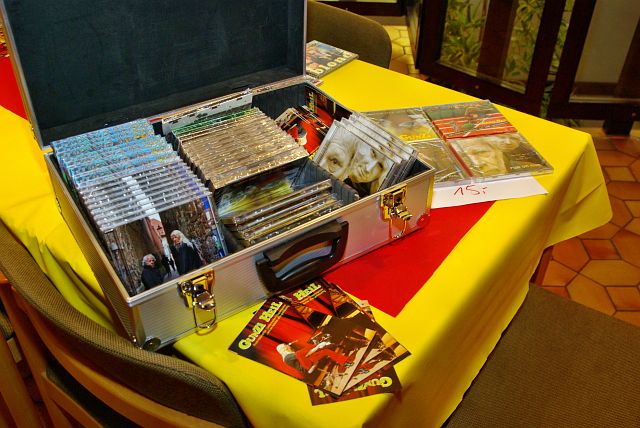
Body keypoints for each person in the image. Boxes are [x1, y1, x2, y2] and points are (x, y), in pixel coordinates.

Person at [276, 341, 350, 376]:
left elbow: (306, 355)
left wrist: (317, 348)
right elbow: (304, 354)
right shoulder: (287, 357)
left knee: (325, 351)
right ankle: (318, 345)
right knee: (299, 353)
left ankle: (344, 362)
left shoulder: (289, 355)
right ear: (285, 348)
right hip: (306, 367)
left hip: (308, 361)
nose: (289, 346)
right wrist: (316, 347)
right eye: (287, 345)